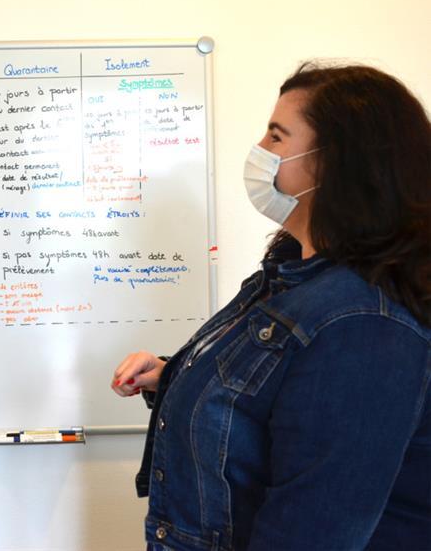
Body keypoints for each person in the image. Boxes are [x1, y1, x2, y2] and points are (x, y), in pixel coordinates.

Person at [111, 62, 430, 551]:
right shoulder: (290, 276)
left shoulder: (362, 322)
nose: (259, 150)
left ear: (335, 162)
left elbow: (313, 531)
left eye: (277, 137)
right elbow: (267, 399)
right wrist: (174, 372)